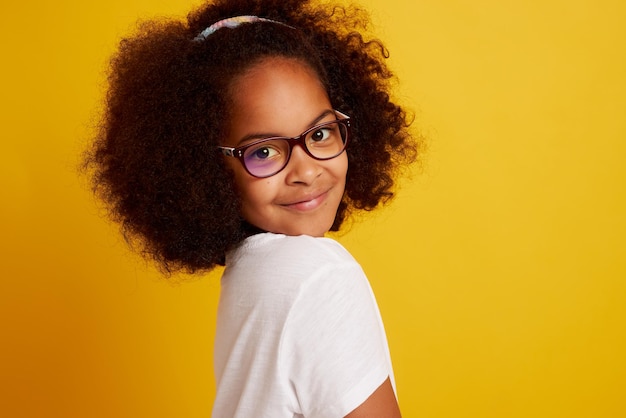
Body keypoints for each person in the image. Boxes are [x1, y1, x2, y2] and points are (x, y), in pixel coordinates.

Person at [85, 0, 419, 416]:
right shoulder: (317, 274)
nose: (306, 170)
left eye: (320, 134)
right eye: (263, 151)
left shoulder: (252, 274)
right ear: (205, 170)